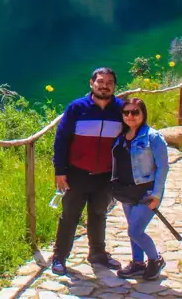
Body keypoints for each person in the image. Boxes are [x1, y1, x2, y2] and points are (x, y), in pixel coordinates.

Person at [51, 67, 125, 275]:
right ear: (91, 84)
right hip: (77, 173)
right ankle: (60, 256)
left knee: (99, 214)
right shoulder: (77, 108)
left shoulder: (121, 109)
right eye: (100, 81)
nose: (104, 85)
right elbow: (61, 140)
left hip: (106, 174)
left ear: (114, 86)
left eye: (109, 82)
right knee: (69, 215)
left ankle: (97, 254)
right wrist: (60, 171)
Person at [109, 97, 169, 280]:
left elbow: (163, 167)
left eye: (135, 112)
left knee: (135, 231)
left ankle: (155, 259)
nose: (130, 116)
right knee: (133, 229)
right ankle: (137, 263)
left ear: (143, 114)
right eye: (126, 112)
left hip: (146, 192)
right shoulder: (121, 137)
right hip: (127, 191)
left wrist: (156, 195)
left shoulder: (152, 137)